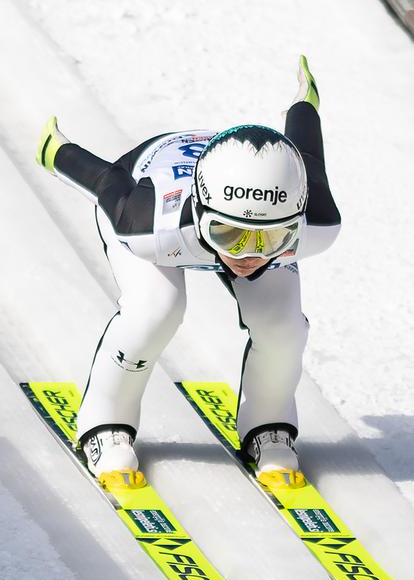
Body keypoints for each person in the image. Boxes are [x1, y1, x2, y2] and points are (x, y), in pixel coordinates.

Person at [36, 56, 340, 491]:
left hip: (207, 217)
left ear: (295, 220)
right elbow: (103, 179)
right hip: (155, 187)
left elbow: (306, 153)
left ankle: (269, 422)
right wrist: (55, 149)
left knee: (283, 324)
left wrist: (304, 100)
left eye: (269, 238)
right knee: (156, 308)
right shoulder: (148, 221)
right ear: (200, 213)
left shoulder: (317, 222)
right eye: (229, 233)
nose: (247, 255)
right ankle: (105, 422)